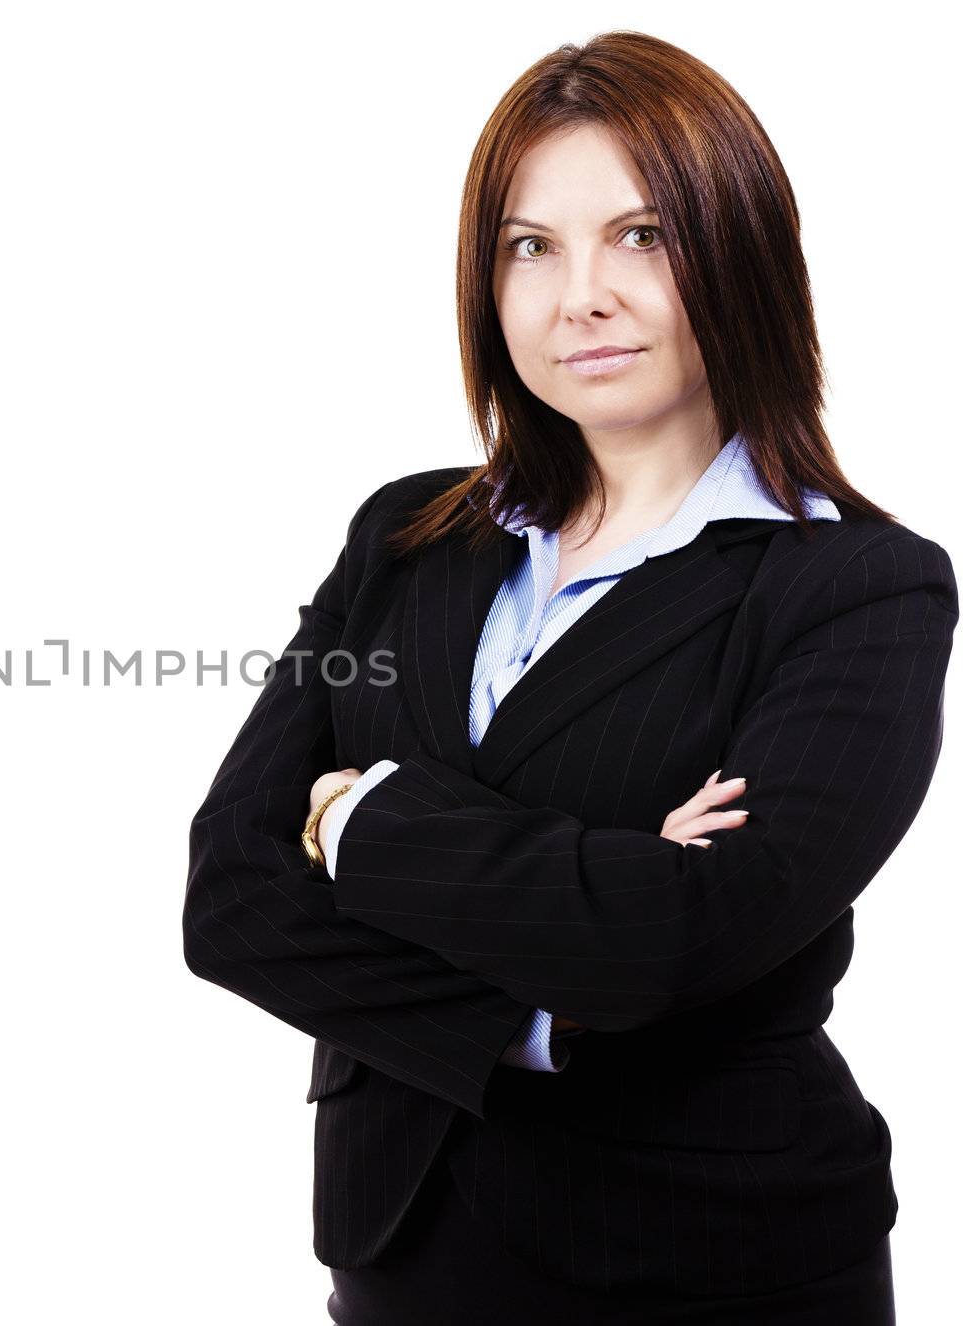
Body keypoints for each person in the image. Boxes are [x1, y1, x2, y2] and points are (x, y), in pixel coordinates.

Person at [181, 30, 956, 1324]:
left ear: (743, 250)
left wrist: (359, 816)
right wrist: (553, 997)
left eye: (642, 236)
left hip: (718, 1267)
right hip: (404, 1255)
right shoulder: (406, 537)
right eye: (529, 246)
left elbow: (693, 931)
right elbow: (229, 896)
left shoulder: (856, 586)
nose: (578, 294)